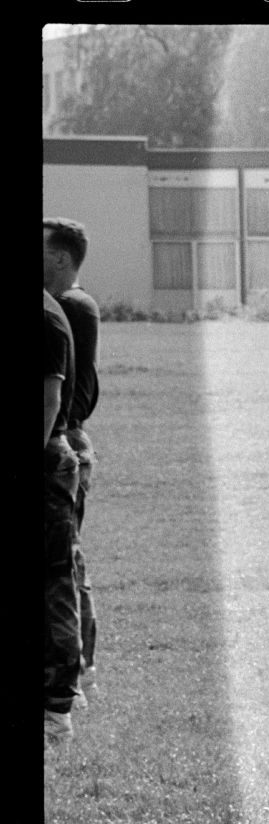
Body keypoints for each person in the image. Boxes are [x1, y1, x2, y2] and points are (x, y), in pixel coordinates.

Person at [44, 217, 101, 698]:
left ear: (60, 257)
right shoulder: (77, 306)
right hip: (72, 440)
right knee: (69, 561)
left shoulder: (65, 307)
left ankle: (76, 671)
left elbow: (68, 391)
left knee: (64, 565)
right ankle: (81, 666)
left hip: (65, 439)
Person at [43, 288, 82, 747]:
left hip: (48, 460)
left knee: (54, 581)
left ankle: (57, 711)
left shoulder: (45, 317)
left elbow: (48, 401)